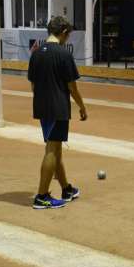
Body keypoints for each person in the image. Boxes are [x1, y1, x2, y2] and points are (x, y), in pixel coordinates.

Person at [27, 15, 87, 209]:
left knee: (56, 149)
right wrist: (82, 106)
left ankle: (66, 188)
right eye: (67, 35)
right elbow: (72, 87)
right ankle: (42, 196)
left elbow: (33, 85)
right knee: (52, 151)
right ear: (63, 32)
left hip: (42, 107)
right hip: (58, 108)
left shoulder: (36, 53)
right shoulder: (63, 54)